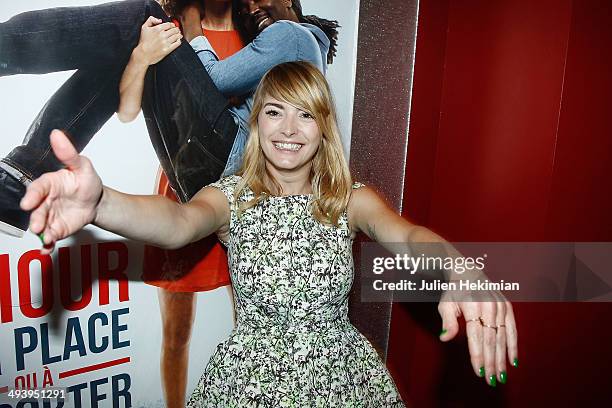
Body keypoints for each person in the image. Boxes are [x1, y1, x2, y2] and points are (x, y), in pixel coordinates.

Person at [20, 61, 518, 406]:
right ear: (256, 123)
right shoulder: (232, 196)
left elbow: (407, 237)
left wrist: (456, 265)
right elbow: (177, 224)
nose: (289, 127)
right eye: (275, 111)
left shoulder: (348, 199)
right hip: (249, 383)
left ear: (324, 128)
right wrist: (102, 201)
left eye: (306, 113)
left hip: (340, 382)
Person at [0, 0, 339, 238]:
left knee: (143, 17)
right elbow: (127, 111)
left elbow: (215, 81)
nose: (251, 10)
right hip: (200, 176)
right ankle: (22, 178)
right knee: (136, 42)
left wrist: (190, 20)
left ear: (291, 1)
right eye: (244, 8)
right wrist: (142, 56)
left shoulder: (293, 34)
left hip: (223, 157)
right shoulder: (298, 56)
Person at [127, 2, 247, 407]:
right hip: (182, 188)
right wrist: (142, 56)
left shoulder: (257, 27)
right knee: (176, 332)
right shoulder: (170, 27)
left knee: (254, 326)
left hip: (246, 194)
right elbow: (128, 108)